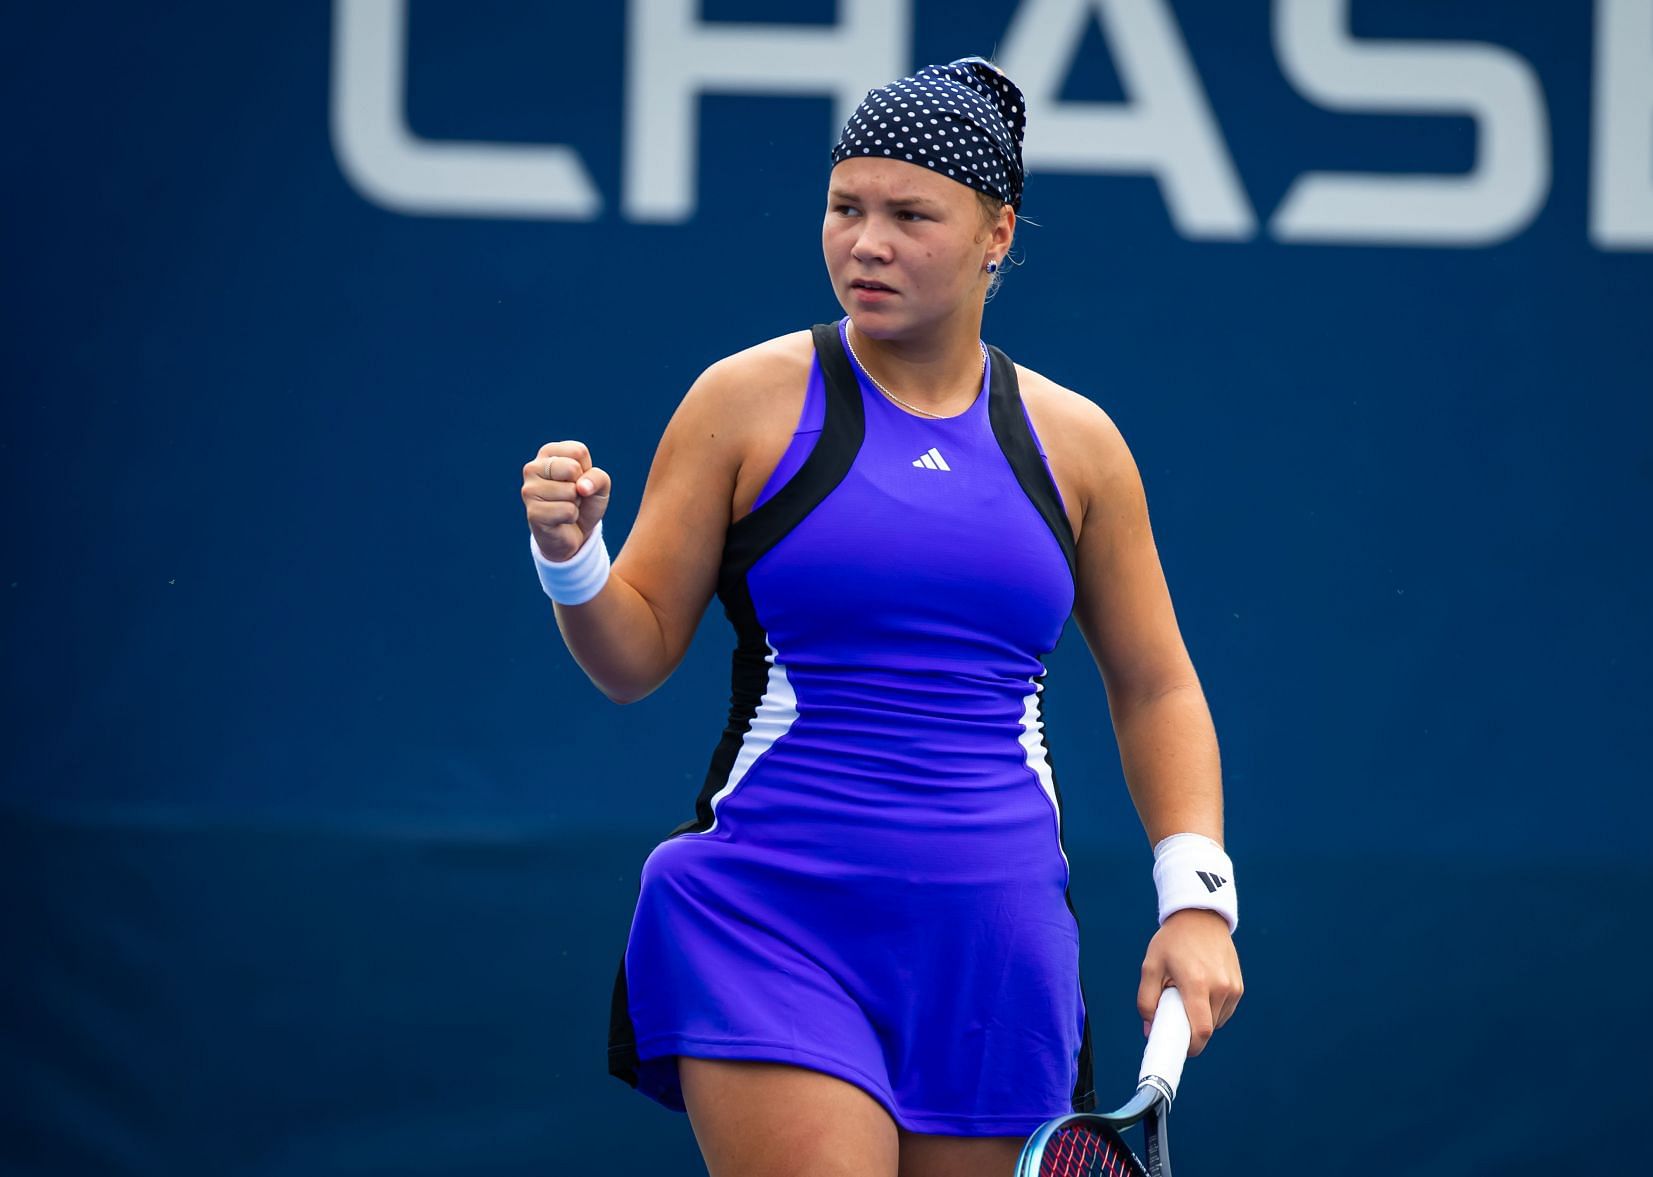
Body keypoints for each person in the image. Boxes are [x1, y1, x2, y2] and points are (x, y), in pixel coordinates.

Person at [520, 57, 1242, 1177]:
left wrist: (1197, 898)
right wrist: (572, 559)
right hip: (768, 915)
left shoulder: (1080, 445)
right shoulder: (744, 402)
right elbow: (632, 654)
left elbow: (1157, 684)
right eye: (846, 207)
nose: (867, 242)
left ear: (997, 232)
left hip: (995, 945)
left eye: (912, 215)